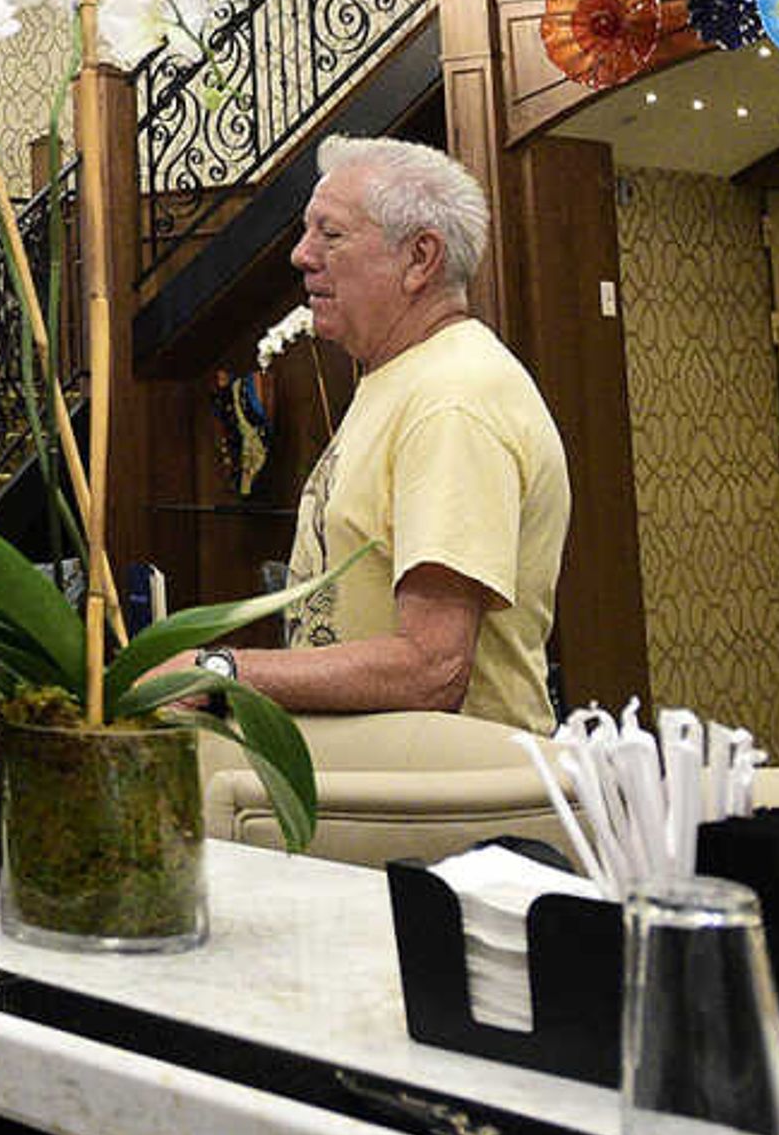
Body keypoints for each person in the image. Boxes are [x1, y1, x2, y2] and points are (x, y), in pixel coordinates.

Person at [222, 137, 570, 731]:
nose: (301, 256)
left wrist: (220, 673)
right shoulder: (402, 376)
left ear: (419, 259)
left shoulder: (453, 398)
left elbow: (431, 666)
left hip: (445, 805)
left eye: (330, 235)